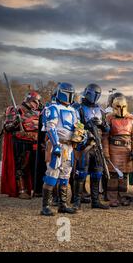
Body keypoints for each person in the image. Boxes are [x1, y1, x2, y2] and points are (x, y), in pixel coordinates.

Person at [40, 83, 86, 216]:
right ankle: (46, 206)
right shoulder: (52, 108)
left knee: (65, 176)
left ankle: (63, 205)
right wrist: (55, 145)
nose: (69, 96)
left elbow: (78, 127)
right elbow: (50, 127)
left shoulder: (74, 110)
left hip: (69, 146)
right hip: (57, 144)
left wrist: (81, 136)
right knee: (52, 175)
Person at [71, 83, 110, 210]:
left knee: (97, 173)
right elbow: (74, 126)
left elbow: (107, 128)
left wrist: (102, 125)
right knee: (81, 173)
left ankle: (95, 200)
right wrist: (87, 124)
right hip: (84, 145)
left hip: (97, 146)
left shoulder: (100, 110)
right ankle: (77, 201)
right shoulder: (78, 108)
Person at [2, 91, 42, 199]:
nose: (37, 103)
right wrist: (15, 122)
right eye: (35, 101)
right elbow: (7, 127)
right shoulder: (16, 109)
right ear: (29, 100)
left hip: (36, 142)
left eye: (38, 101)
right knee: (21, 166)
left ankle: (37, 190)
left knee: (36, 167)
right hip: (21, 141)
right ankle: (22, 190)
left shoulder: (38, 112)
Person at [103, 94, 133, 207]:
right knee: (113, 175)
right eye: (118, 106)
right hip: (113, 149)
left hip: (127, 150)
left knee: (124, 175)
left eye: (123, 106)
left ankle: (123, 197)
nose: (121, 109)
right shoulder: (109, 118)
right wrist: (106, 152)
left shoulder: (132, 119)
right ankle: (113, 198)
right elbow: (105, 137)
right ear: (114, 106)